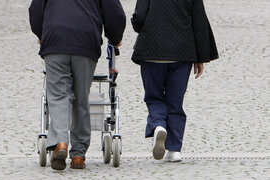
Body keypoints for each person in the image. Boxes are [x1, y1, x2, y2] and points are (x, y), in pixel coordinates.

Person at [29, 0, 126, 170]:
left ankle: (60, 141)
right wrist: (115, 37)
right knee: (81, 97)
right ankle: (78, 155)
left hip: (55, 39)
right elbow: (114, 13)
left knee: (59, 95)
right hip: (86, 41)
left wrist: (41, 33)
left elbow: (36, 10)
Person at [131, 0, 218, 161]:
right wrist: (201, 57)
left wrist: (137, 24)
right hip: (182, 52)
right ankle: (174, 149)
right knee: (175, 101)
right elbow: (199, 22)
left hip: (152, 51)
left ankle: (158, 125)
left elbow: (140, 17)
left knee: (154, 96)